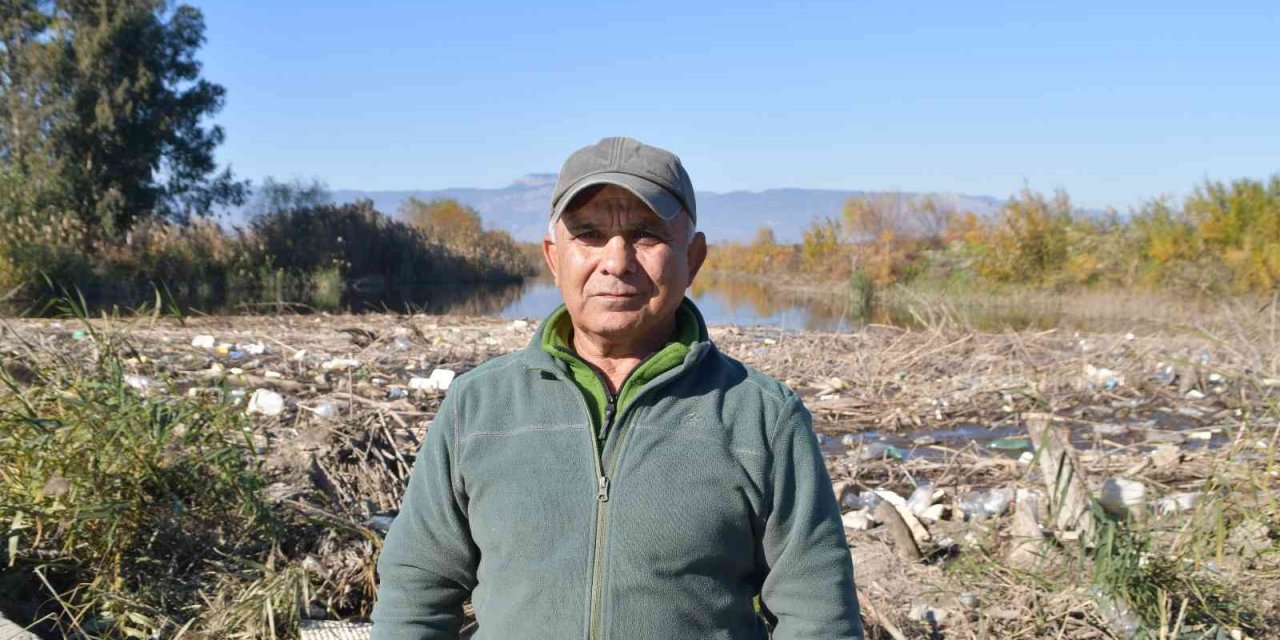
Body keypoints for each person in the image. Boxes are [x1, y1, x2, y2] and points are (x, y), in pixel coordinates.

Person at [371, 137, 862, 639]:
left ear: (692, 257)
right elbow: (417, 590)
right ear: (553, 257)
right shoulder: (476, 407)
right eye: (588, 234)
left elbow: (817, 614)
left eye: (646, 235)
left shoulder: (761, 416)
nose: (616, 261)